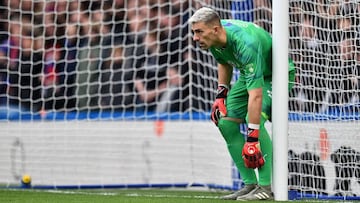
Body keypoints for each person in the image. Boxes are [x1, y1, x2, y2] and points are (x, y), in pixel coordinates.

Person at [189, 7, 295, 201]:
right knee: (225, 122)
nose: (195, 38)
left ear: (215, 29)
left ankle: (265, 187)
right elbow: (224, 62)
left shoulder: (246, 43)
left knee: (253, 120)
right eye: (194, 32)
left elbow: (255, 97)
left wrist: (252, 139)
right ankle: (250, 184)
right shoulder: (213, 39)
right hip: (250, 75)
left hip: (277, 75)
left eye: (199, 32)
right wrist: (221, 94)